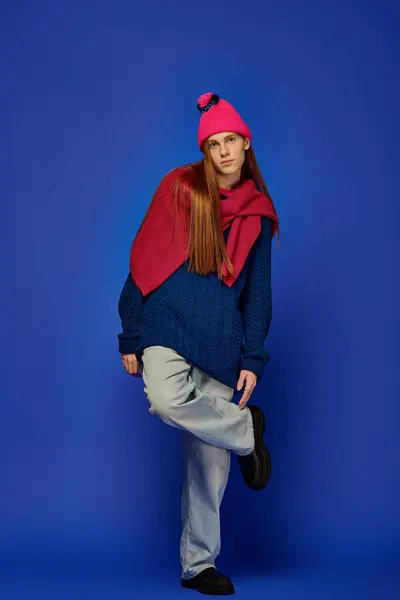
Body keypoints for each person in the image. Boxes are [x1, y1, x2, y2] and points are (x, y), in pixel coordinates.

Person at [117, 92, 280, 595]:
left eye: (231, 140)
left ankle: (199, 566)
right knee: (166, 401)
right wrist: (132, 330)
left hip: (222, 342)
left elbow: (257, 293)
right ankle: (246, 431)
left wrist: (253, 355)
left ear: (246, 143)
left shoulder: (256, 212)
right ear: (205, 152)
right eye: (214, 144)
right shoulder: (180, 188)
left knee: (209, 470)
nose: (224, 150)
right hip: (166, 326)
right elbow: (145, 257)